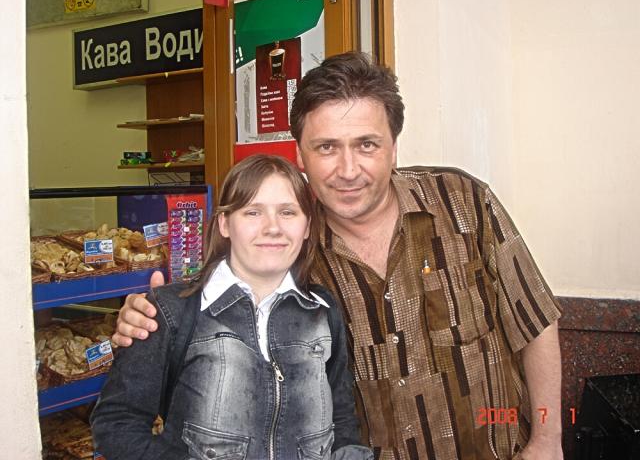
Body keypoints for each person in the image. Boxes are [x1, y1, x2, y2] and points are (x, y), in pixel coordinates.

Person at [114, 52, 564, 460]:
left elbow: (536, 320)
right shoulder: (287, 252)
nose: (348, 171)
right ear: (301, 155)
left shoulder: (463, 202)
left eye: (367, 144)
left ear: (393, 148)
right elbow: (210, 322)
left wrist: (547, 440)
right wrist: (148, 319)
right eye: (326, 147)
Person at [92, 155, 373, 460]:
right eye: (253, 212)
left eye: (288, 212)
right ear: (225, 224)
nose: (273, 228)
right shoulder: (172, 311)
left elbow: (341, 418)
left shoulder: (322, 311)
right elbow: (116, 424)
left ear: (307, 226)